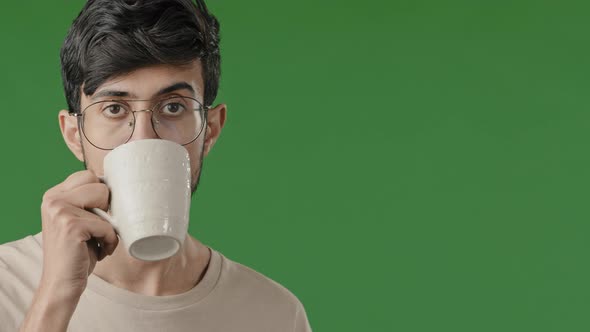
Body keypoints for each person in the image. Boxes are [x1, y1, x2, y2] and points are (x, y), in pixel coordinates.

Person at [0, 0, 312, 331]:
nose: (144, 139)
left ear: (211, 129)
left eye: (174, 107)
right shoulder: (7, 285)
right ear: (75, 134)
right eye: (115, 109)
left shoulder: (274, 314)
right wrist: (56, 296)